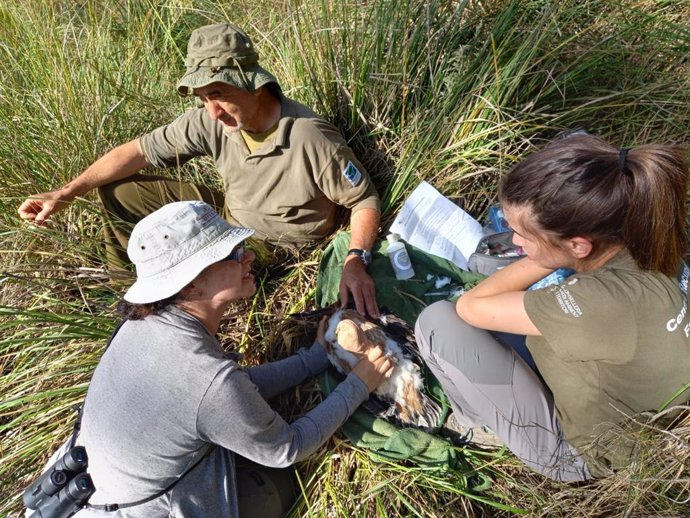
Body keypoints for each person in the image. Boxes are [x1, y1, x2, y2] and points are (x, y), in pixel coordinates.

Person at [25, 201, 393, 517]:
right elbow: (286, 448)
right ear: (189, 285)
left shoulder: (141, 324)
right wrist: (361, 382)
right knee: (279, 485)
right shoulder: (207, 379)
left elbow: (226, 392)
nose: (248, 255)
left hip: (78, 490)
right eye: (232, 254)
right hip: (143, 507)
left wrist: (314, 358)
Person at [17, 22, 381, 318]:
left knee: (196, 269)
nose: (212, 112)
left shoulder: (308, 137)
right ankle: (125, 293)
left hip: (271, 244)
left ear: (253, 85)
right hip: (228, 215)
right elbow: (137, 152)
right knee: (120, 191)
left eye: (219, 93)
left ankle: (165, 309)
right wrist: (65, 193)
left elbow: (363, 200)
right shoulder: (212, 122)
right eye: (203, 98)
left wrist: (355, 261)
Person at [414, 134, 690, 481]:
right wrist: (552, 246)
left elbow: (470, 307)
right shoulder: (653, 233)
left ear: (580, 245)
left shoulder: (596, 303)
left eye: (524, 236)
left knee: (437, 322)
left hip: (580, 452)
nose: (515, 242)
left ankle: (475, 425)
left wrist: (548, 257)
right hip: (636, 394)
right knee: (502, 289)